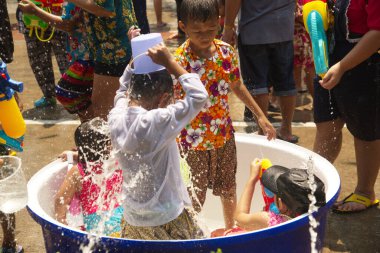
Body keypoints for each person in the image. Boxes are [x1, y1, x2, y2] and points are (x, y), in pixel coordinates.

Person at [173, 0, 276, 231]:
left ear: (219, 23)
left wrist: (260, 116)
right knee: (193, 194)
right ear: (183, 27)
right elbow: (169, 99)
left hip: (223, 136)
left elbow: (237, 85)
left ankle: (230, 230)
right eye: (197, 31)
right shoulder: (179, 60)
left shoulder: (225, 52)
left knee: (228, 188)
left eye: (211, 29)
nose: (205, 35)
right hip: (192, 142)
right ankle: (190, 235)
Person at [108, 43, 208, 240]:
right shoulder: (156, 121)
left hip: (133, 219)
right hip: (168, 217)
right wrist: (170, 63)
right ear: (163, 99)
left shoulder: (115, 117)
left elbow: (121, 92)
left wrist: (133, 62)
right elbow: (199, 96)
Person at [313, 0, 380, 213]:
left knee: (365, 131)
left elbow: (377, 32)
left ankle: (365, 191)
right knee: (326, 124)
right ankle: (314, 185)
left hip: (363, 63)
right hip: (326, 58)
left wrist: (342, 66)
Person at [223, 0, 299, 143]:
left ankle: (263, 131)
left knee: (257, 84)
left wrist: (228, 26)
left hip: (254, 30)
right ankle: (287, 129)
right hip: (283, 28)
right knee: (286, 81)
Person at [18, 0, 107, 122]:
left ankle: (94, 126)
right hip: (89, 53)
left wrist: (35, 10)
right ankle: (93, 126)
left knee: (68, 93)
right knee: (87, 96)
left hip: (88, 56)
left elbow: (67, 24)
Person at [67, 0, 137, 119]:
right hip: (117, 46)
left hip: (112, 50)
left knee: (104, 116)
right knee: (115, 111)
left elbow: (105, 9)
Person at [54, 118, 124, 237]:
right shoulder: (117, 161)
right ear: (106, 146)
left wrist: (63, 228)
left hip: (97, 224)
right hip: (122, 218)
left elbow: (60, 201)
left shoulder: (78, 172)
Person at [229, 159, 325, 234]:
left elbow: (238, 218)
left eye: (274, 191)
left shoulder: (267, 219)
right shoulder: (311, 214)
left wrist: (252, 179)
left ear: (281, 204)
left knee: (218, 233)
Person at [16, 0, 68, 108]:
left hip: (57, 13)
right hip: (30, 18)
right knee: (38, 61)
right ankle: (49, 96)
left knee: (66, 61)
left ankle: (73, 94)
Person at [293, 0, 315, 97]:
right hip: (297, 39)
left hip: (302, 38)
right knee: (304, 68)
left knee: (308, 68)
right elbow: (299, 16)